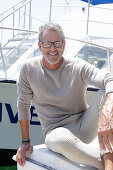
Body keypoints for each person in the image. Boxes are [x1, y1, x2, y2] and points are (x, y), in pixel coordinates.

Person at [16, 22, 113, 170]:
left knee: (104, 94)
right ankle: (106, 163)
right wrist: (25, 141)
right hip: (56, 131)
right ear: (40, 45)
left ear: (64, 45)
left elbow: (109, 79)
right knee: (57, 140)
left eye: (57, 43)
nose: (53, 49)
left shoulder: (77, 65)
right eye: (47, 44)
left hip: (84, 125)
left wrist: (107, 111)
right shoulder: (28, 69)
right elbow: (23, 104)